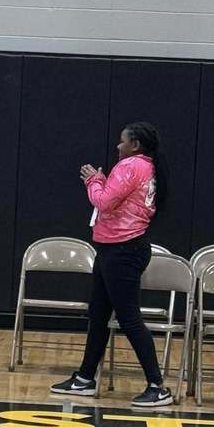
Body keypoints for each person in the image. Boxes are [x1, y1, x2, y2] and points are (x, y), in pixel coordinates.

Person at [51, 121, 172, 408]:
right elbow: (116, 200)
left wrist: (93, 180)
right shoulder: (143, 167)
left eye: (122, 141)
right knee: (98, 314)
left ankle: (157, 386)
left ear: (135, 145)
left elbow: (103, 202)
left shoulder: (131, 166)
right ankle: (85, 378)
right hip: (112, 249)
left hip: (124, 250)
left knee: (129, 318)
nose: (117, 146)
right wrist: (103, 183)